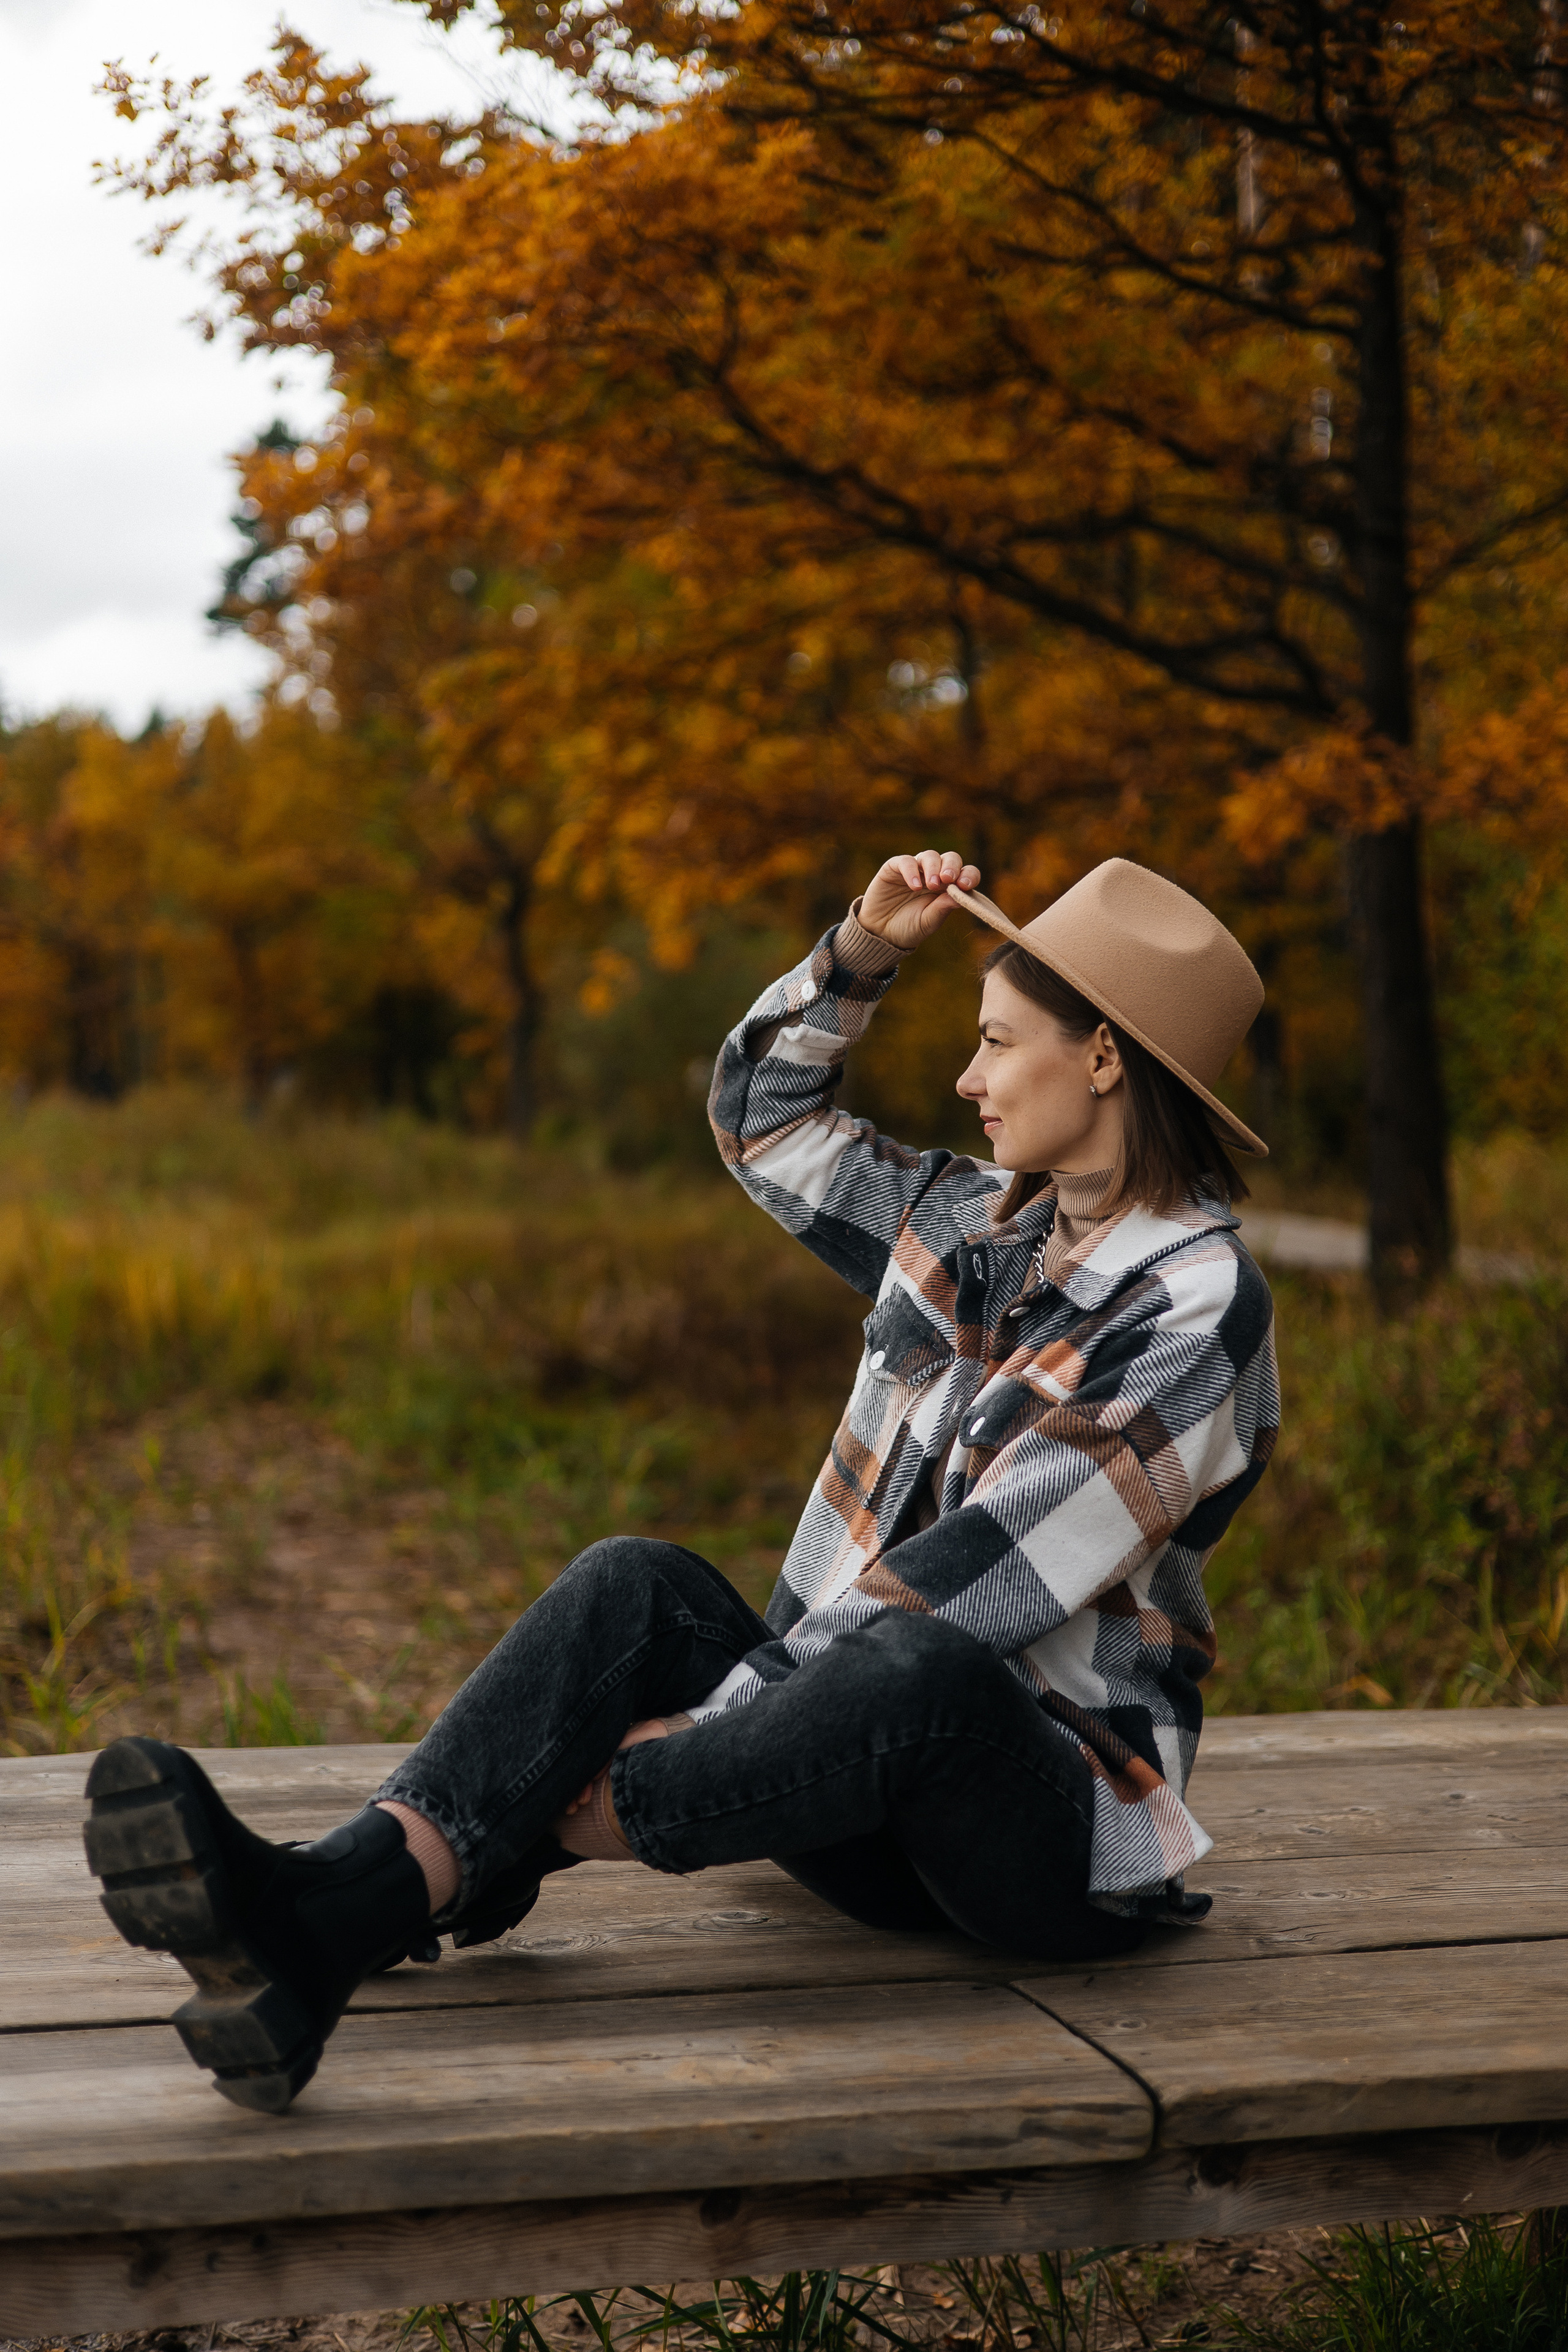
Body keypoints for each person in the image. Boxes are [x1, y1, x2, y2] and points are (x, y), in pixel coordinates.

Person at [83, 849, 1279, 2115]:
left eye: (993, 1043)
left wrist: (692, 1748)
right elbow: (760, 1124)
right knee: (634, 1583)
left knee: (925, 1660)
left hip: (1042, 1845)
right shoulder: (971, 1219)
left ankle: (356, 1905)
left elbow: (974, 1582)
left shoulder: (1198, 1311)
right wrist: (862, 948)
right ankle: (326, 1907)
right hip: (853, 1776)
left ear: (1101, 1059)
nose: (964, 1078)